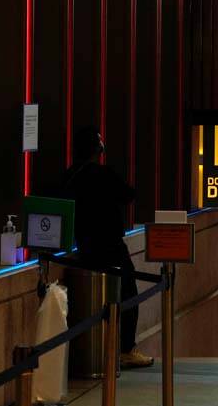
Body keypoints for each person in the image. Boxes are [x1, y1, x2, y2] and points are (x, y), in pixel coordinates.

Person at [61, 126, 154, 369]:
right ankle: (125, 349)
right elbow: (128, 194)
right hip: (111, 246)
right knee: (128, 293)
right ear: (97, 148)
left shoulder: (71, 175)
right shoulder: (104, 174)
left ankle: (91, 350)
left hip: (85, 247)